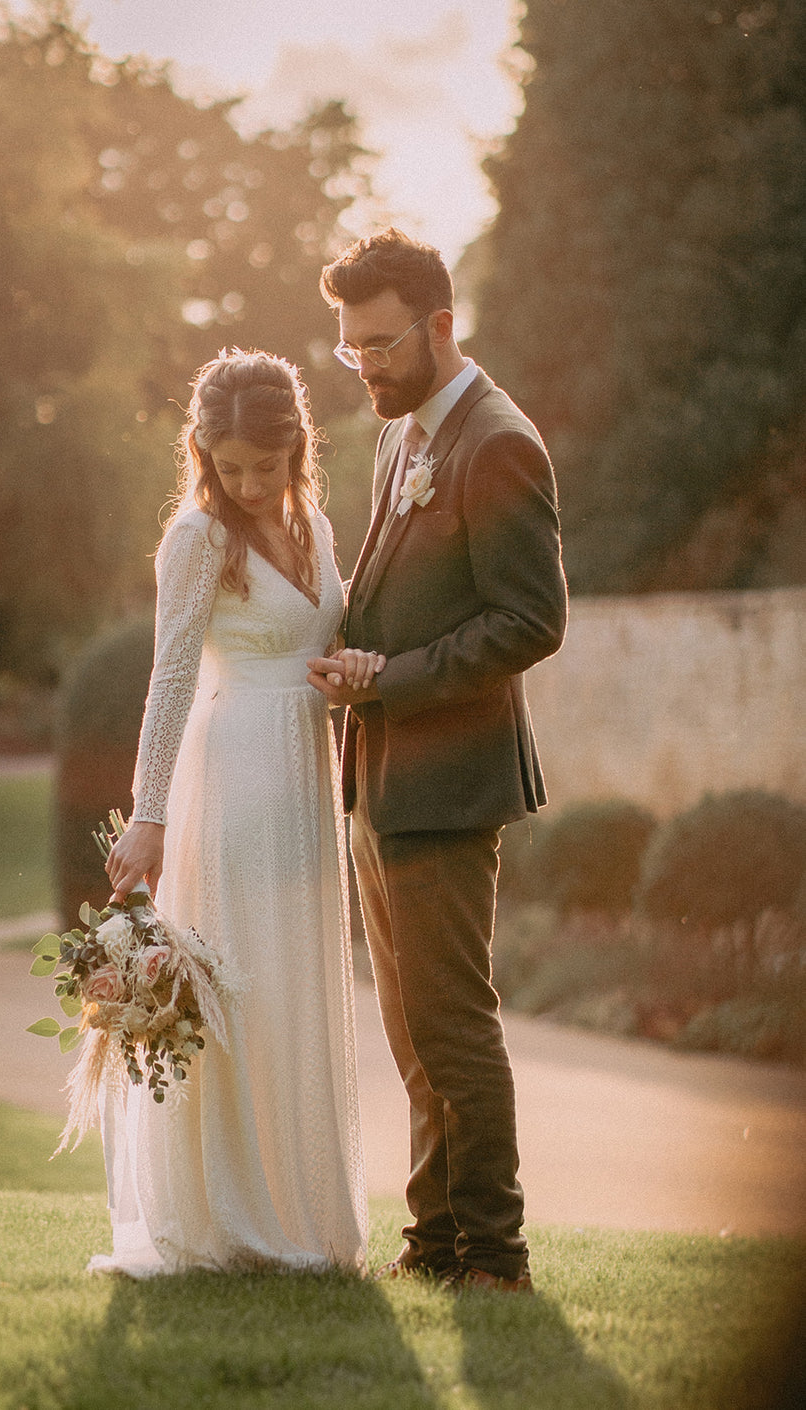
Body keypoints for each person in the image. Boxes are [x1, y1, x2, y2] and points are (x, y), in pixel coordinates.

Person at [308, 229, 568, 1294]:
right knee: (412, 1032)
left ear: (440, 325)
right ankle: (436, 1242)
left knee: (453, 1028)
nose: (364, 364)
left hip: (449, 783)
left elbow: (530, 620)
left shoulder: (496, 442)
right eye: (348, 349)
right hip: (381, 777)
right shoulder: (402, 434)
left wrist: (391, 680)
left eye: (379, 343)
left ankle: (495, 1257)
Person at [98, 349, 377, 1277]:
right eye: (230, 467)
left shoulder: (318, 527)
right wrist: (149, 813)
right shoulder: (197, 539)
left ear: (298, 449)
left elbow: (320, 640)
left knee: (294, 988)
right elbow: (172, 675)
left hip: (305, 773)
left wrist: (349, 676)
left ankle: (304, 1216)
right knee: (240, 991)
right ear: (203, 454)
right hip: (233, 777)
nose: (250, 484)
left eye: (267, 464)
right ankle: (226, 1219)